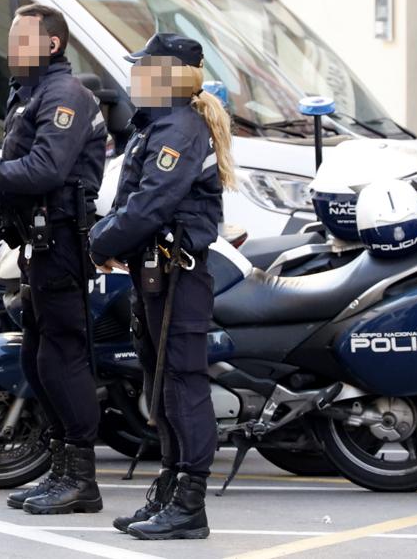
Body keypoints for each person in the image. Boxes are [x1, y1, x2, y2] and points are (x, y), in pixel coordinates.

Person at [0, 3, 106, 515]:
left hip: (61, 243)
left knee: (61, 358)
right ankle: (60, 470)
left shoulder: (65, 96)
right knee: (37, 358)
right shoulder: (30, 94)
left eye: (23, 40)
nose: (13, 48)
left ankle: (81, 480)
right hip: (37, 244)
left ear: (52, 44)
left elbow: (44, 170)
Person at [88, 33, 234, 541]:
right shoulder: (158, 124)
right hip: (155, 274)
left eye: (143, 69)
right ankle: (171, 488)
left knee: (182, 386)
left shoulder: (179, 128)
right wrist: (114, 242)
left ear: (170, 75)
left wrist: (98, 241)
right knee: (161, 385)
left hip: (179, 277)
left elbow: (151, 204)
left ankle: (190, 503)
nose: (133, 78)